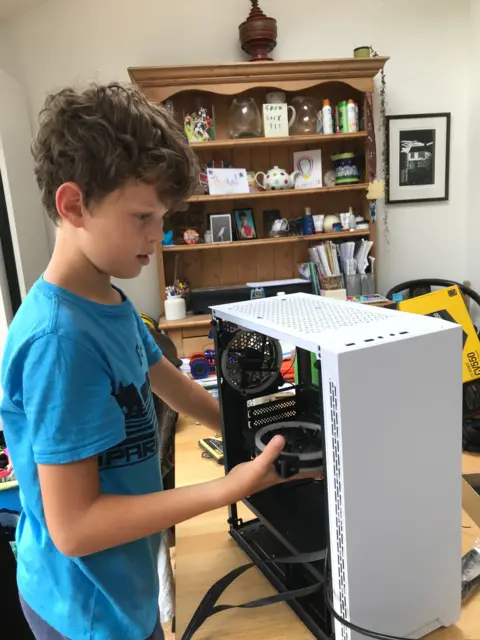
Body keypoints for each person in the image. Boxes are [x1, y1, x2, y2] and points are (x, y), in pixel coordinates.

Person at [0, 84, 319, 640]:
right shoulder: (60, 341)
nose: (159, 234)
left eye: (163, 216)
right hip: (84, 608)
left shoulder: (108, 299)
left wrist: (256, 442)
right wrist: (227, 488)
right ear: (73, 205)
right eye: (143, 216)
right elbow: (73, 529)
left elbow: (178, 390)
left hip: (120, 582)